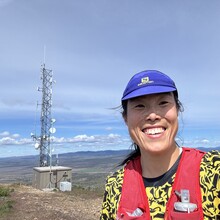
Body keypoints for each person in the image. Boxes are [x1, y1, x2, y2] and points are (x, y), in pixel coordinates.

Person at [100, 70, 220, 220]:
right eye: (139, 106)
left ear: (178, 110)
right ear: (125, 118)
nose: (152, 115)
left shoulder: (213, 169)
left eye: (163, 103)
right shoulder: (115, 185)